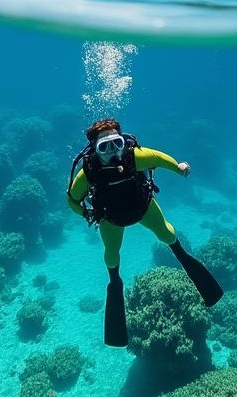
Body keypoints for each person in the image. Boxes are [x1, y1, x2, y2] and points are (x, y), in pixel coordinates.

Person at [67, 118, 223, 347]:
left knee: (166, 233)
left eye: (116, 144)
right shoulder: (89, 172)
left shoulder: (133, 156)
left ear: (123, 142)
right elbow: (72, 199)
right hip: (111, 217)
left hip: (142, 206)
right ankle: (115, 280)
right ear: (94, 150)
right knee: (112, 251)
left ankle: (179, 253)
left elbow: (158, 158)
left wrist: (178, 167)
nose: (112, 152)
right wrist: (85, 213)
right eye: (104, 147)